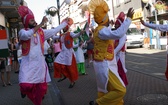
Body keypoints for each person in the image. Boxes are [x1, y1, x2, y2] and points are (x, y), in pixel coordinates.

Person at [17, 5, 69, 105]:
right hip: (28, 65)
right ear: (27, 22)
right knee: (25, 85)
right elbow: (27, 35)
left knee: (40, 91)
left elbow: (54, 31)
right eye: (31, 20)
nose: (34, 21)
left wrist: (64, 23)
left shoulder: (41, 32)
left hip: (39, 65)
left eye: (34, 20)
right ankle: (24, 91)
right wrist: (41, 24)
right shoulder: (22, 32)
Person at [87, 0, 134, 104]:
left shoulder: (99, 29)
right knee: (121, 90)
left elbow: (108, 33)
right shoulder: (102, 31)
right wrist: (129, 19)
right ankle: (97, 103)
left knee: (108, 90)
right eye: (107, 16)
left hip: (105, 63)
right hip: (105, 65)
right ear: (104, 18)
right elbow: (118, 34)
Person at [53, 18, 84, 88]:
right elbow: (54, 37)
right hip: (62, 53)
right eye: (62, 27)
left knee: (70, 69)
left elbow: (76, 35)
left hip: (69, 53)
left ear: (66, 27)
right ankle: (64, 75)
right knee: (56, 63)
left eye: (64, 27)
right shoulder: (61, 35)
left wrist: (80, 33)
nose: (63, 28)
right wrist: (54, 31)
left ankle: (72, 81)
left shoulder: (70, 34)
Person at [114, 12, 128, 86]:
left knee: (120, 69)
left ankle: (122, 84)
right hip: (115, 55)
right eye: (115, 25)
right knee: (115, 69)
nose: (115, 26)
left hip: (119, 55)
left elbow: (120, 45)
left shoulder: (123, 35)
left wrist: (113, 52)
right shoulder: (116, 33)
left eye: (116, 25)